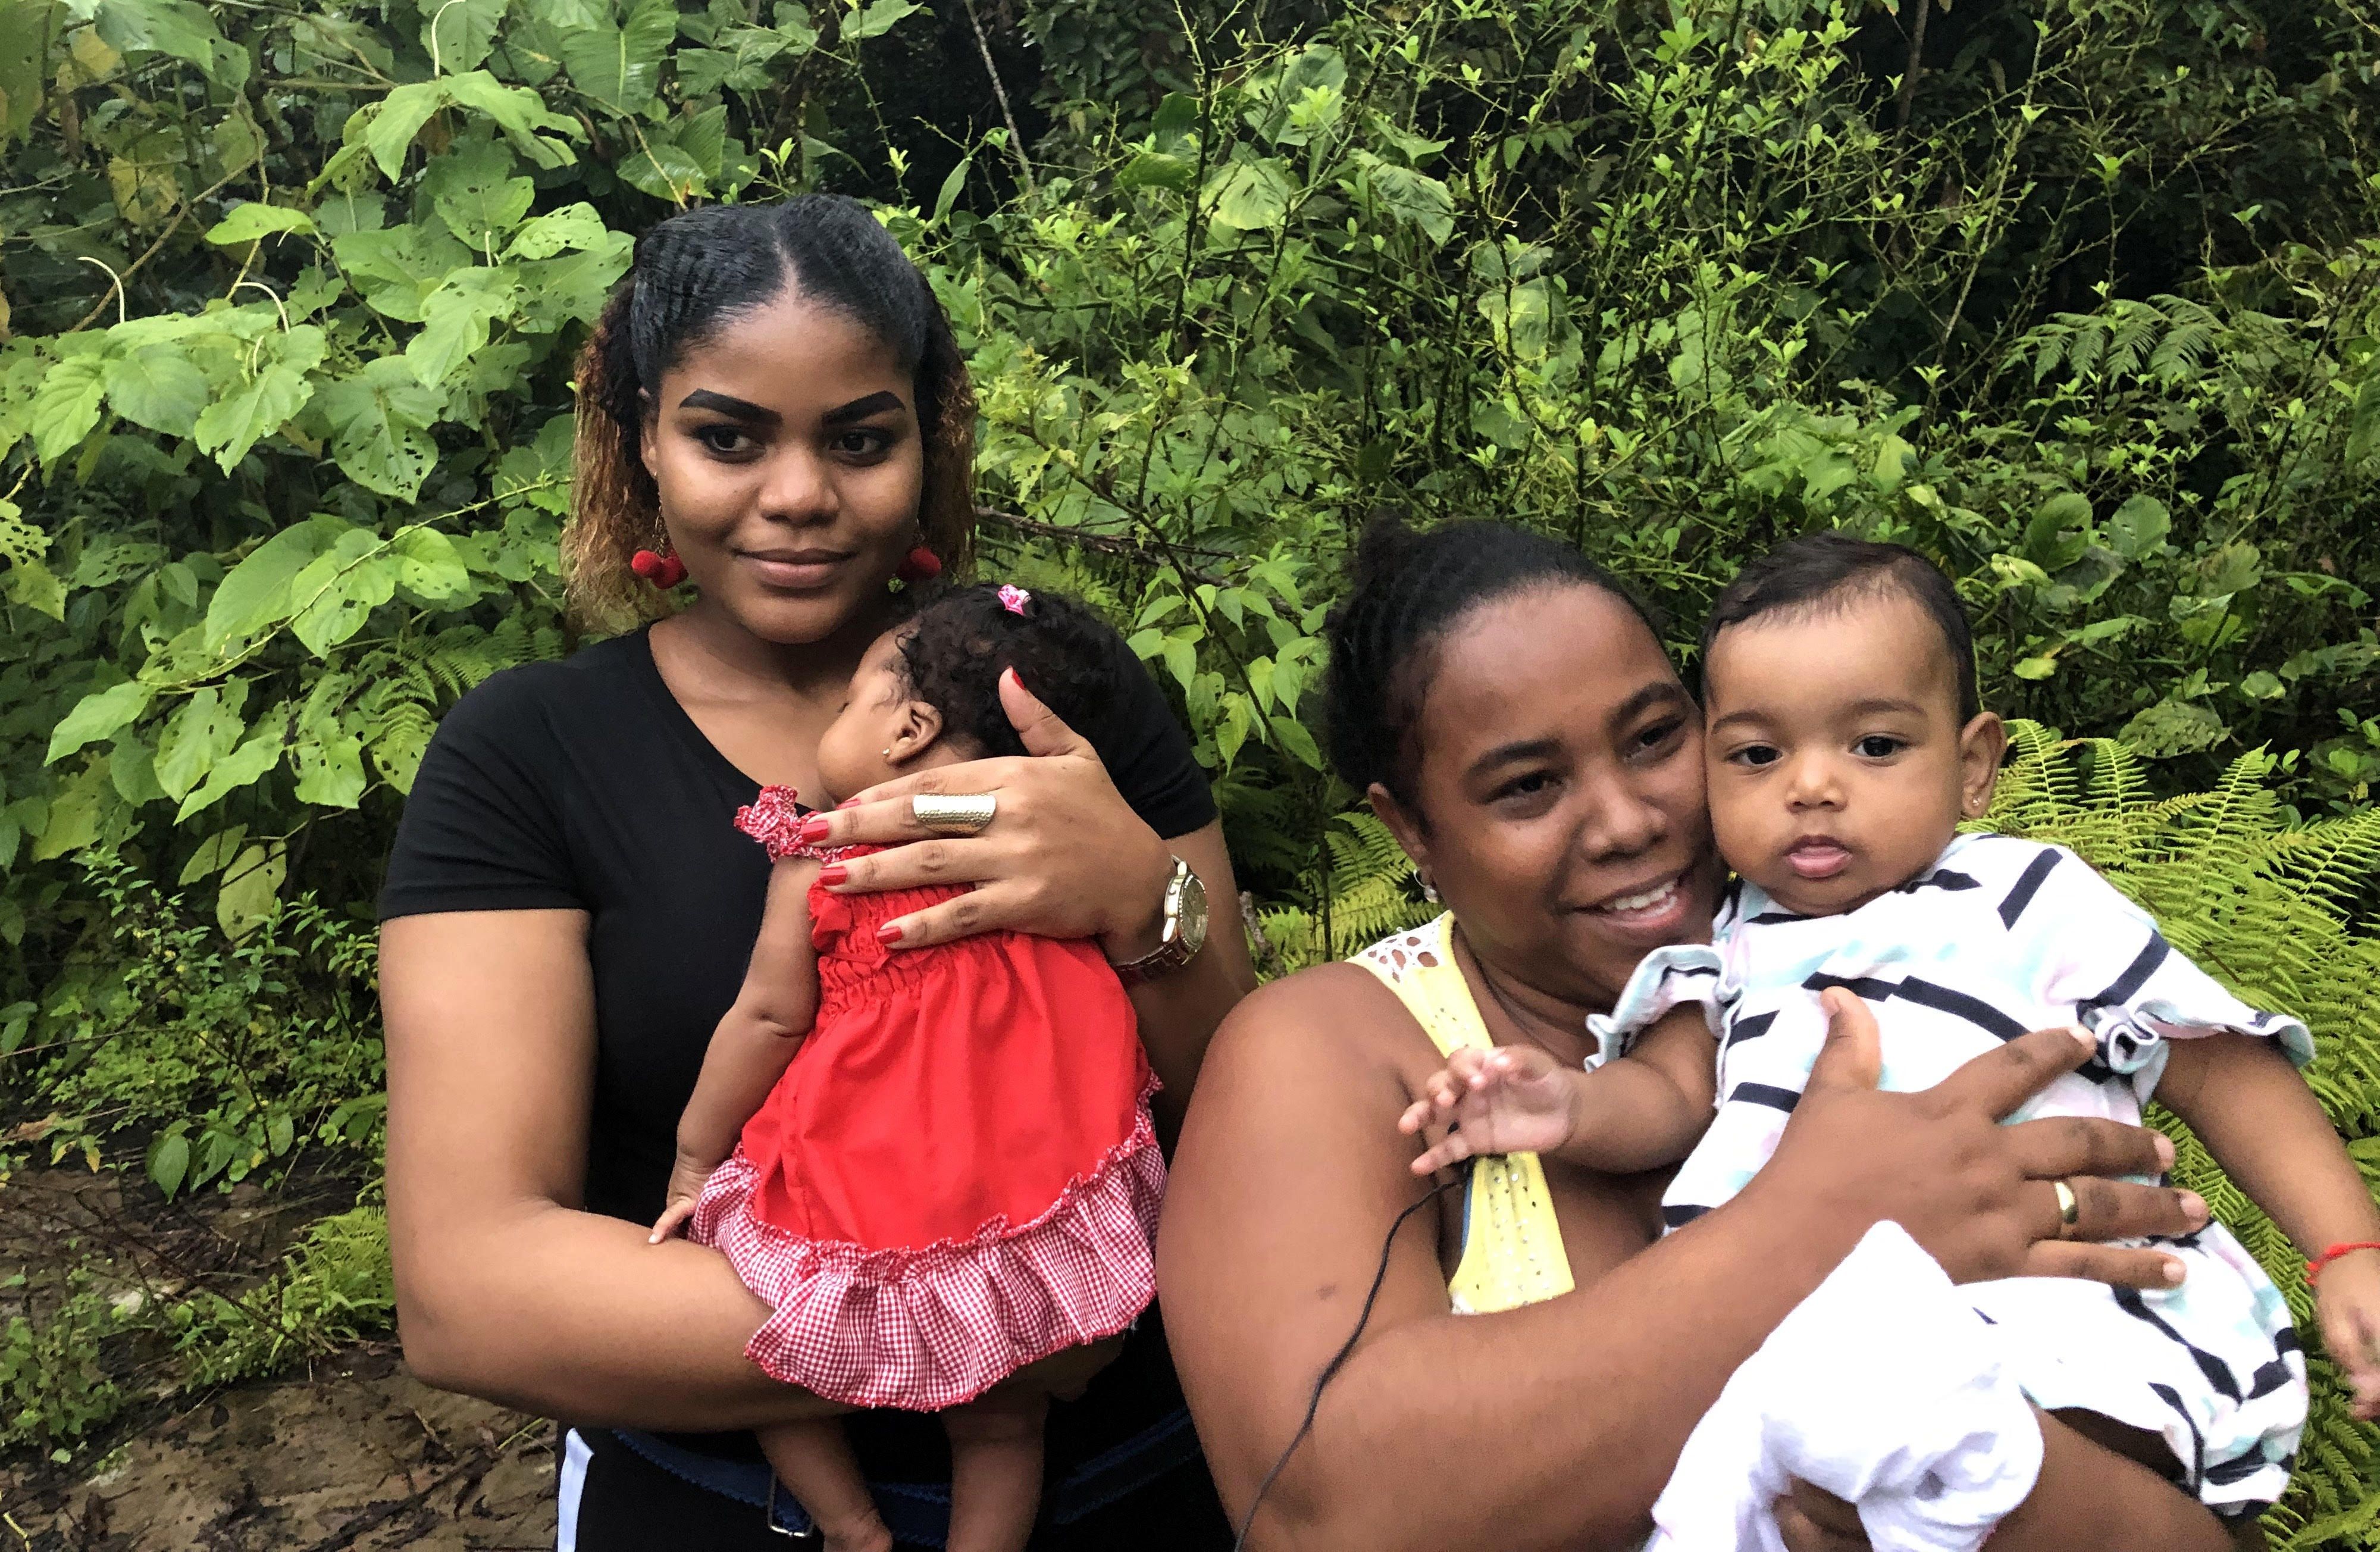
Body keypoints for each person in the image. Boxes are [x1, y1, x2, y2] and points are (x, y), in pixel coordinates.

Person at [378, 194, 1254, 1550]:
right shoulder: (531, 753)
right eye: (727, 436)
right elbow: (468, 1286)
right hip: (729, 1504)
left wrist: (1145, 900)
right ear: (640, 441)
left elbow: (1241, 1112)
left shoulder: (1057, 698)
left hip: (1139, 1479)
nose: (797, 494)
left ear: (927, 437)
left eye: (859, 438)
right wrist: (984, 1322)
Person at [1157, 516, 2253, 1552]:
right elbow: (1321, 1512)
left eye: (1654, 738)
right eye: (1530, 786)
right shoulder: (1337, 1053)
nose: (1631, 819)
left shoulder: (1924, 965)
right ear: (1411, 829)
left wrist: (1991, 1486)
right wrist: (1816, 1231)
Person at [1399, 532, 2380, 1544]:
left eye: (1873, 746)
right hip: (1793, 1332)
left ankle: (1974, 1460)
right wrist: (1562, 1105)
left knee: (2034, 1417)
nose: (1812, 786)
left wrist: (2347, 1249)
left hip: (2045, 1291)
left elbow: (2221, 1064)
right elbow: (1672, 1097)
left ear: (1972, 768)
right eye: (1756, 755)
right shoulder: (1726, 944)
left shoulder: (2025, 897)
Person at [649, 584, 1171, 1552]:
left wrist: (693, 1157)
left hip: (864, 1173)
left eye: (852, 701)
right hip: (1028, 1173)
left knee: (781, 1351)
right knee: (1008, 1417)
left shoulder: (827, 857)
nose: (832, 719)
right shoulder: (1040, 856)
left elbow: (766, 1017)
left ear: (910, 731)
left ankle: (852, 1530)